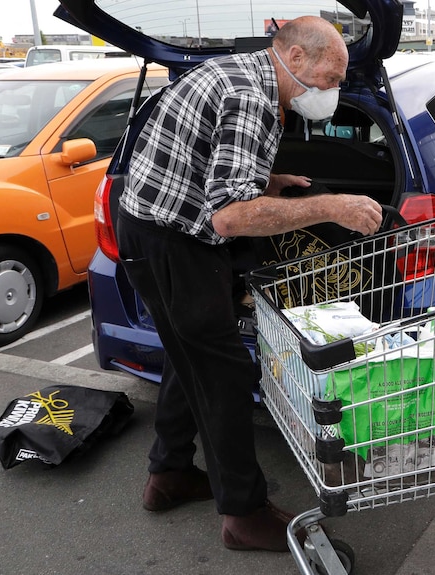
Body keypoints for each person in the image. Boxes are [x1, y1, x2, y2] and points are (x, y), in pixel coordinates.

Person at [115, 16, 383, 552]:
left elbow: (213, 164)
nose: (332, 92)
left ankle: (167, 476)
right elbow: (230, 219)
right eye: (331, 79)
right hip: (175, 243)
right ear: (297, 58)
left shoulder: (241, 75)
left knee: (186, 355)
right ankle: (244, 513)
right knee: (224, 374)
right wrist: (331, 207)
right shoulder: (252, 99)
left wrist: (273, 181)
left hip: (149, 230)